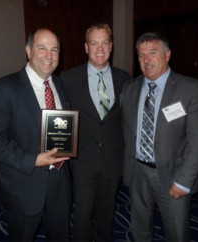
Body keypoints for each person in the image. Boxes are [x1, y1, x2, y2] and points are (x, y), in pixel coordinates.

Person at [0, 28, 72, 241]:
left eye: (55, 49)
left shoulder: (59, 84)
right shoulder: (3, 88)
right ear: (28, 51)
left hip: (59, 182)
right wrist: (33, 160)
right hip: (24, 184)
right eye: (42, 48)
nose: (49, 56)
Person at [121, 32, 198, 241]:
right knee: (139, 229)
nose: (146, 60)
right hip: (137, 173)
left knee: (176, 233)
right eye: (141, 55)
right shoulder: (130, 88)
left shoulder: (190, 89)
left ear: (167, 54)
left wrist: (184, 181)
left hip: (174, 176)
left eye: (153, 52)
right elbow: (126, 130)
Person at [60, 23, 130, 241]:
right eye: (94, 43)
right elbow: (59, 116)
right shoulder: (68, 79)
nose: (100, 48)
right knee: (82, 212)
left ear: (111, 46)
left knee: (106, 211)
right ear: (86, 47)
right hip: (82, 159)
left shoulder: (125, 79)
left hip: (112, 158)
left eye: (104, 43)